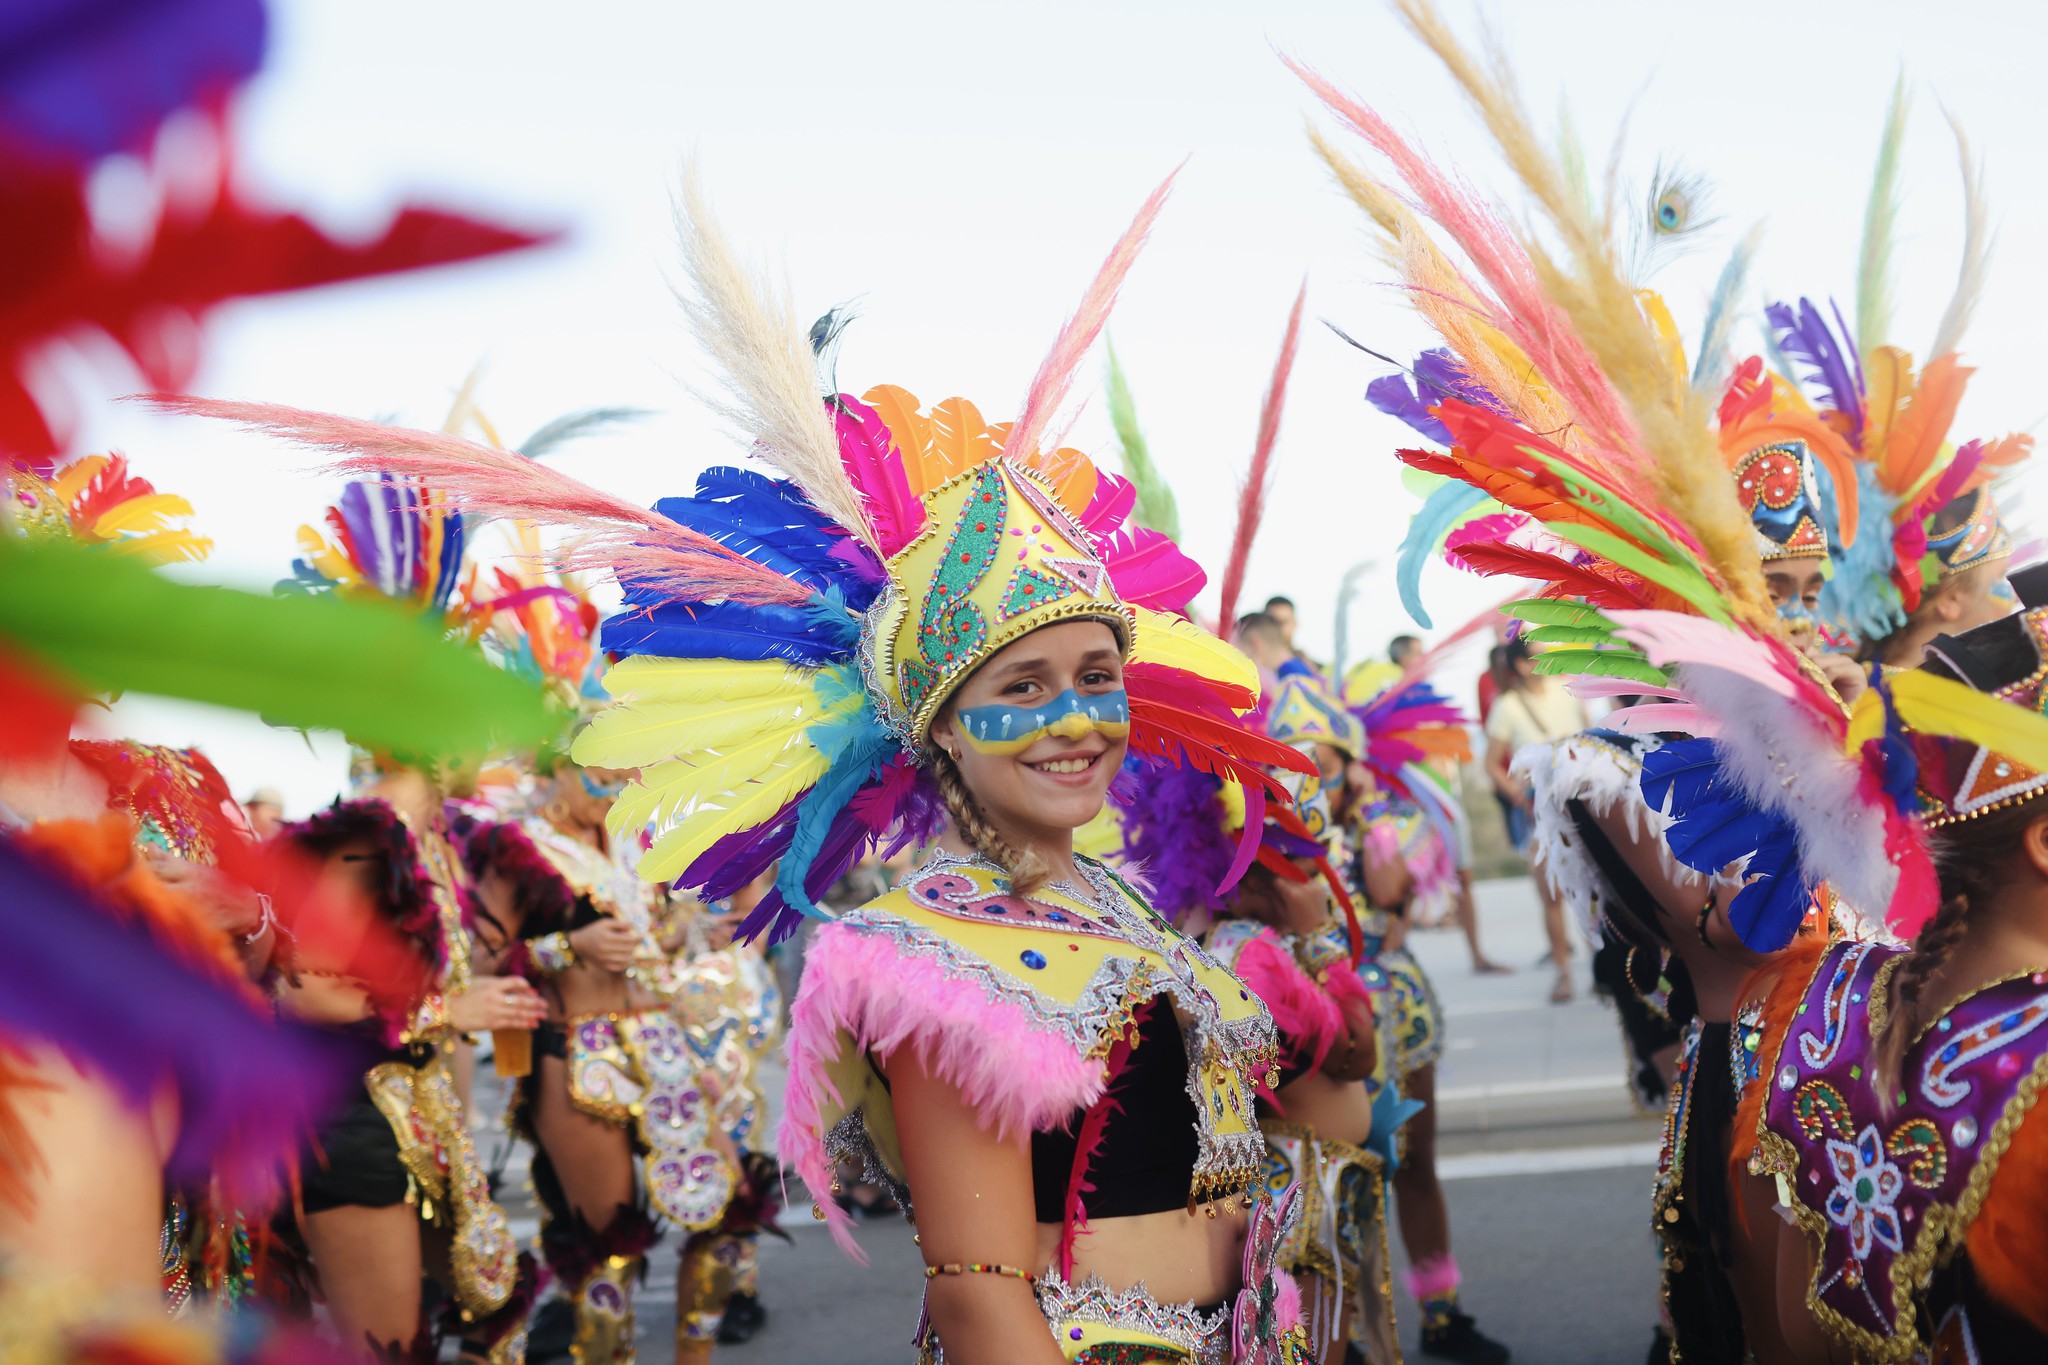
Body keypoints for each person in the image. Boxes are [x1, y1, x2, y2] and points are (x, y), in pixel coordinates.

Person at [200, 171, 1322, 1363]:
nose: (1076, 718)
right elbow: (979, 1294)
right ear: (939, 725)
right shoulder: (935, 958)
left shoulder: (1121, 909)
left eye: (1097, 675)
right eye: (1020, 688)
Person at [270, 473, 545, 1362]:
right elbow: (309, 989)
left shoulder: (428, 840)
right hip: (352, 1125)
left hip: (418, 1114)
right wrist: (451, 1009)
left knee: (484, 1323)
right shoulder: (366, 833)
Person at [1480, 639, 1585, 1002]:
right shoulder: (1507, 705)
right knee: (1550, 891)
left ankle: (1608, 968)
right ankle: (1563, 973)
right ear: (1522, 665)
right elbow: (1491, 764)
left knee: (1601, 888)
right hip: (1541, 807)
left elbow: (1591, 737)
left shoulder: (1568, 688)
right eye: (1540, 655)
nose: (1548, 658)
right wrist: (1517, 792)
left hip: (1583, 798)